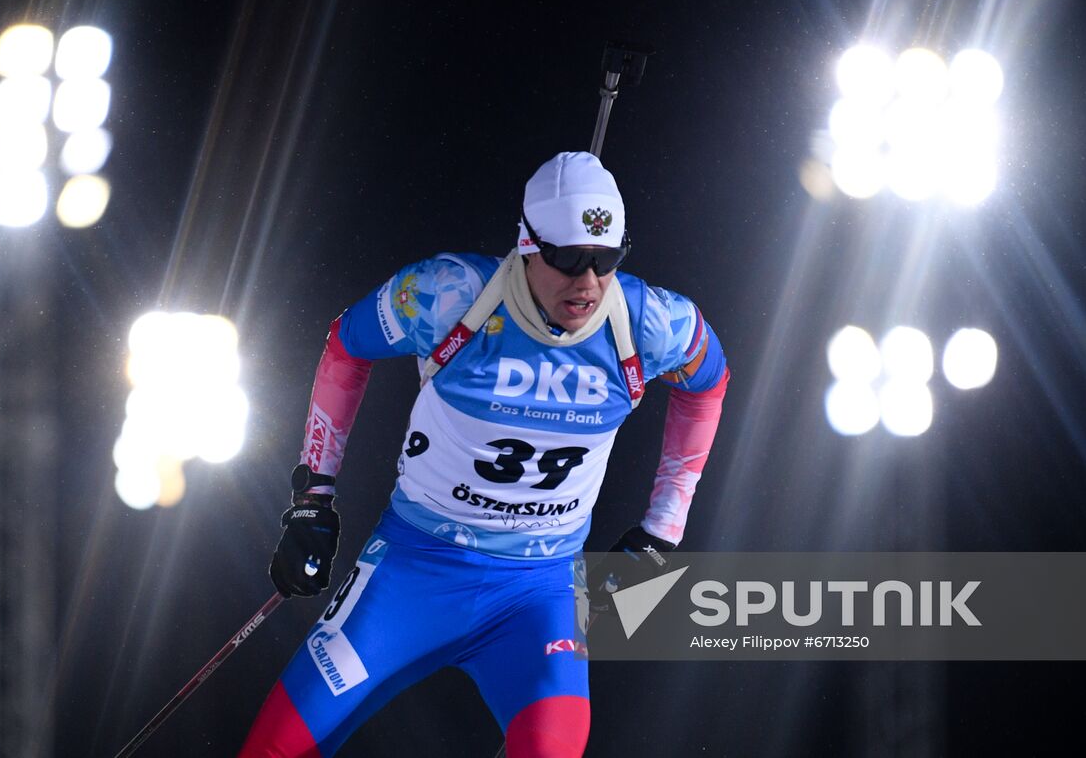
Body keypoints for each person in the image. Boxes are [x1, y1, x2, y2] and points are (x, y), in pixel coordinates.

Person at [239, 151, 729, 757]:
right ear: (527, 244)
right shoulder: (448, 296)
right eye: (568, 258)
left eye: (606, 260)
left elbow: (708, 384)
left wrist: (663, 530)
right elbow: (346, 346)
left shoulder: (648, 321)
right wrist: (313, 500)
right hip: (415, 570)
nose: (588, 282)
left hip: (539, 593)